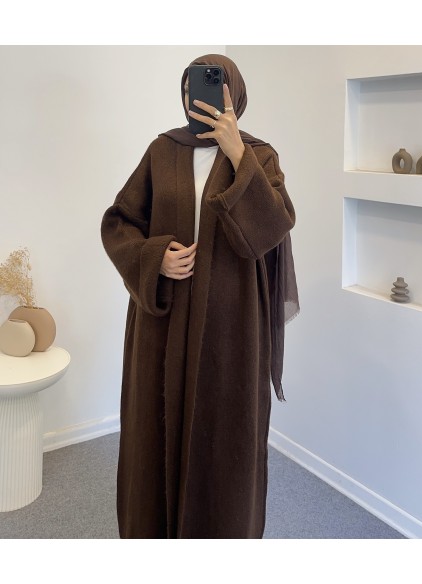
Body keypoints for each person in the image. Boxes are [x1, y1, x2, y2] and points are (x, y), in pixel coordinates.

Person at [101, 53, 299, 539]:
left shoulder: (259, 156)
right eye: (191, 87)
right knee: (155, 430)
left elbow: (273, 229)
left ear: (235, 94)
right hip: (162, 321)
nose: (198, 97)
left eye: (212, 87)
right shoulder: (162, 150)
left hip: (232, 327)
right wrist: (155, 258)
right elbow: (120, 222)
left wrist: (237, 153)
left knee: (224, 438)